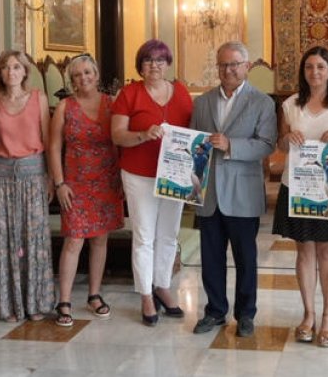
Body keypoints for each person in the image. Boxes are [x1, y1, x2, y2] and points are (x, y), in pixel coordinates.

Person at [272, 46, 328, 348]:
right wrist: (287, 139)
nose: (315, 73)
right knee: (304, 252)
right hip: (298, 188)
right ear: (303, 71)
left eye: (321, 67)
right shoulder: (289, 105)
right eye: (309, 67)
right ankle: (308, 315)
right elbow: (281, 145)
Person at [191, 41, 277, 338]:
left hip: (243, 194)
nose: (228, 70)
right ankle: (215, 311)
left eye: (234, 64)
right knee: (211, 257)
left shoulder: (263, 102)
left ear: (246, 66)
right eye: (223, 65)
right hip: (209, 194)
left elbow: (267, 145)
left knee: (245, 259)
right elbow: (194, 146)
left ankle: (246, 314)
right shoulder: (202, 102)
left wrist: (231, 146)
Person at [110, 39, 194, 326]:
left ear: (168, 63)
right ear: (140, 66)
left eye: (160, 60)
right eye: (148, 60)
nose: (154, 65)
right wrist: (143, 135)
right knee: (144, 236)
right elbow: (117, 135)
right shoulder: (129, 93)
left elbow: (192, 131)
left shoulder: (181, 92)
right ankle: (145, 294)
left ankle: (162, 286)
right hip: (139, 173)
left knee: (168, 235)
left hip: (175, 175)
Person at [47, 53, 123, 326]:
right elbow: (54, 147)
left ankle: (94, 295)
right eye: (77, 75)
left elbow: (122, 138)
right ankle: (64, 301)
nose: (83, 78)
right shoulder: (65, 106)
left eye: (88, 73)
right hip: (75, 184)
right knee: (74, 240)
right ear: (72, 80)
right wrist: (59, 183)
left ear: (97, 75)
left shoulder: (112, 104)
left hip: (106, 181)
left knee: (100, 239)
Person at [0, 50, 54, 323]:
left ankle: (35, 302)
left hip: (34, 174)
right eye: (6, 67)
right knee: (4, 241)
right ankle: (9, 304)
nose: (11, 72)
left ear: (25, 72)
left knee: (33, 239)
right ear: (0, 73)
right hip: (1, 176)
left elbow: (49, 141)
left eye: (17, 67)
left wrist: (50, 177)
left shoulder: (38, 98)